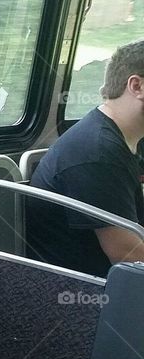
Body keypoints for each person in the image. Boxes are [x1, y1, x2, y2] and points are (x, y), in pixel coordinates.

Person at [26, 39, 144, 278]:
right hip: (87, 294)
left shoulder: (130, 139)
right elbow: (127, 255)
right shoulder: (97, 153)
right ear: (137, 86)